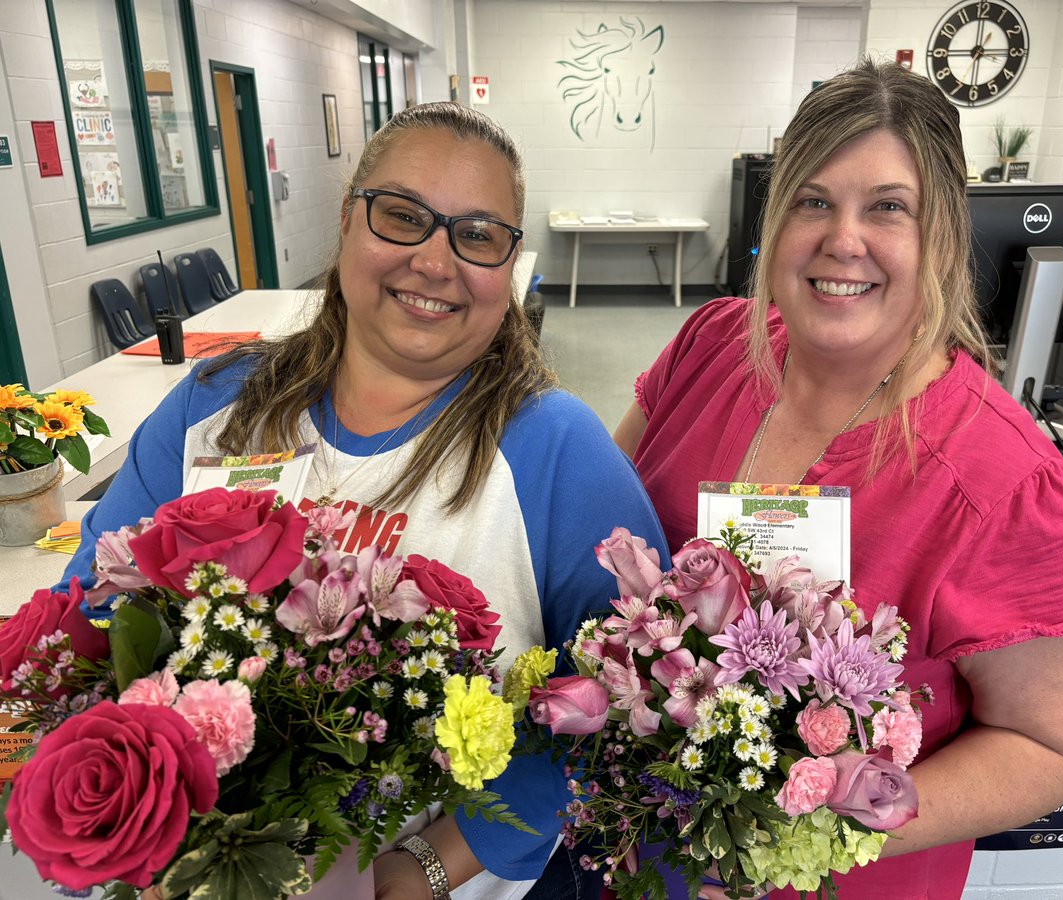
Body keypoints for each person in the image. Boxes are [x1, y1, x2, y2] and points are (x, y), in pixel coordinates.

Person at [58, 102, 666, 900]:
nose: (435, 261)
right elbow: (89, 617)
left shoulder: (559, 451)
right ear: (349, 218)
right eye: (403, 216)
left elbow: (624, 709)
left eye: (478, 235)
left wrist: (423, 869)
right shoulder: (214, 409)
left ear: (509, 264)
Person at [613, 59, 1063, 900]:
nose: (842, 240)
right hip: (644, 854)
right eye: (813, 201)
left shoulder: (1003, 485)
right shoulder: (711, 348)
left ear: (942, 236)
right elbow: (603, 532)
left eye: (887, 207)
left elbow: (1050, 744)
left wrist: (811, 832)